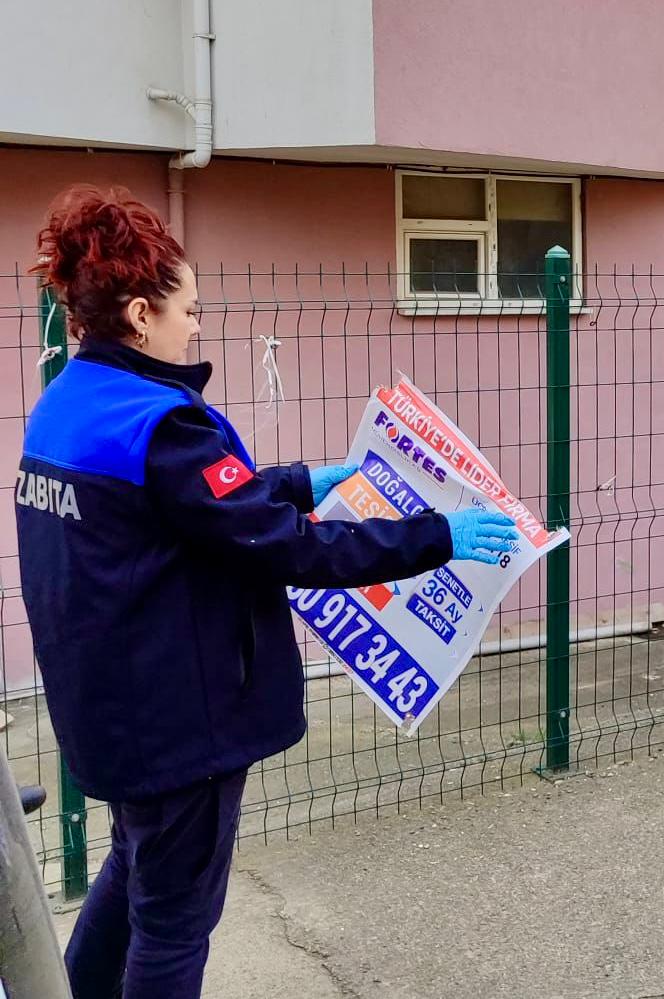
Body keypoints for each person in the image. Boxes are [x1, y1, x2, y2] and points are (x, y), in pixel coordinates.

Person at [15, 185, 521, 999]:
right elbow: (278, 545)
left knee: (136, 866)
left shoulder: (67, 406)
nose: (198, 326)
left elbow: (196, 509)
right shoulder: (163, 422)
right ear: (141, 314)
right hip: (178, 723)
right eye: (190, 311)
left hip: (107, 713)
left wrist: (296, 481)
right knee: (175, 925)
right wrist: (437, 536)